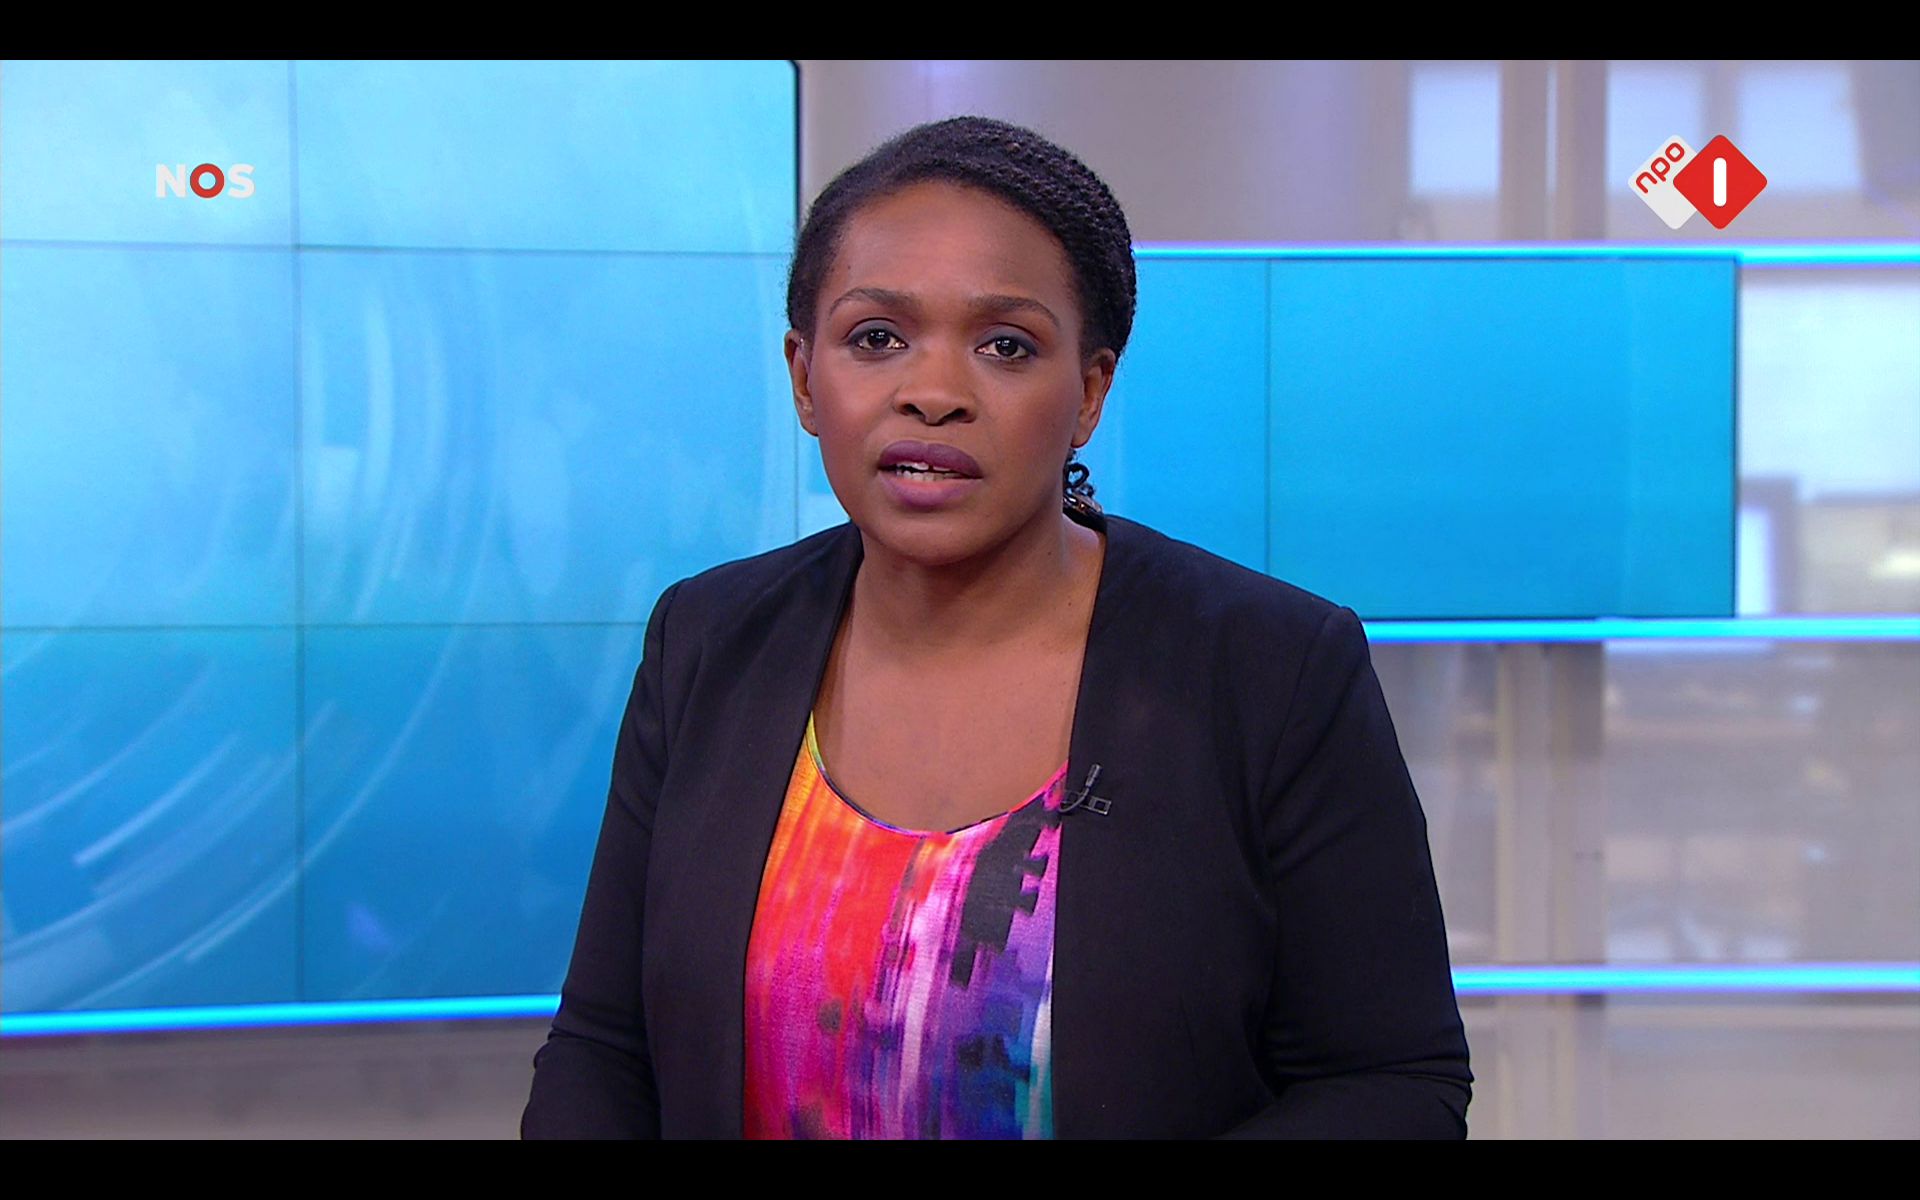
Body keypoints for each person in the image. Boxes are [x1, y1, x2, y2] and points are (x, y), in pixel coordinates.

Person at [521, 115, 1471, 1139]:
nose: (933, 394)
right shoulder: (707, 640)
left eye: (1005, 346)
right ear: (803, 376)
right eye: (876, 338)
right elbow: (606, 1045)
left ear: (1089, 392)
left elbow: (1391, 1082)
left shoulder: (1272, 670)